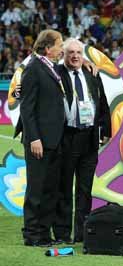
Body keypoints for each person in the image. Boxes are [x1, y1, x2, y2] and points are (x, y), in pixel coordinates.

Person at [55, 38, 111, 243]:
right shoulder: (56, 73)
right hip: (66, 137)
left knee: (85, 189)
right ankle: (62, 233)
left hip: (89, 138)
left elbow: (102, 101)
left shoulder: (91, 73)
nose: (75, 56)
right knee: (64, 188)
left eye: (78, 53)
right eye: (70, 52)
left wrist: (106, 129)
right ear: (63, 55)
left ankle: (82, 233)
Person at [19, 30, 67, 246]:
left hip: (54, 139)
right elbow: (27, 108)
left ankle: (44, 233)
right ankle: (31, 234)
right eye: (59, 45)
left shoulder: (50, 67)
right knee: (36, 189)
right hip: (39, 141)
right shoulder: (33, 68)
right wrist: (34, 138)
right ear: (48, 48)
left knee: (50, 189)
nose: (62, 49)